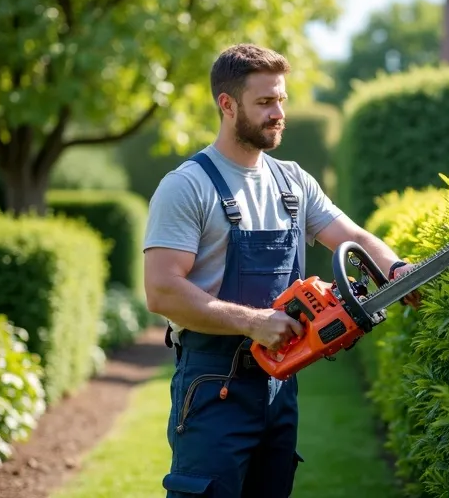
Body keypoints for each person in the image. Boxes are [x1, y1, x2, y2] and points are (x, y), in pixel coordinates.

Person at [143, 43, 419, 498]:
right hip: (215, 383)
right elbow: (162, 291)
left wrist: (396, 269)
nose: (278, 113)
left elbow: (353, 237)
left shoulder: (292, 181)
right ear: (227, 104)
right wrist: (254, 322)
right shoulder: (187, 186)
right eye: (265, 102)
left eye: (282, 100)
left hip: (279, 382)